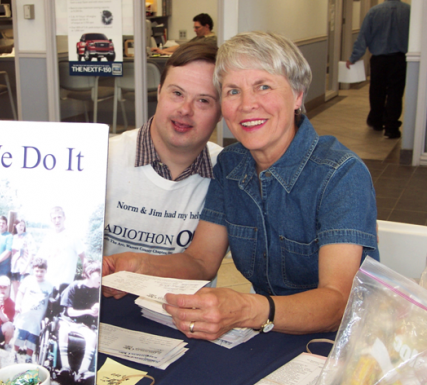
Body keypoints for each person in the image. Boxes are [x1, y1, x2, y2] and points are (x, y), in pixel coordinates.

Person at [104, 31, 379, 339]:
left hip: (342, 342)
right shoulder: (230, 165)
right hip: (269, 332)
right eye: (233, 91)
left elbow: (339, 303)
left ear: (298, 95)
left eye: (263, 87)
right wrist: (136, 264)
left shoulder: (340, 173)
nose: (247, 105)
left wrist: (248, 309)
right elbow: (200, 261)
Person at [104, 41, 222, 257]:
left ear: (221, 112)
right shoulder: (104, 158)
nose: (185, 110)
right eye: (177, 93)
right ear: (159, 92)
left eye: (203, 100)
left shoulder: (226, 173)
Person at [346, 0, 410, 140]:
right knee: (395, 93)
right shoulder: (409, 11)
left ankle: (377, 121)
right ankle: (391, 128)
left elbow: (363, 37)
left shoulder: (374, 12)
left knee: (377, 91)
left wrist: (353, 57)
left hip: (379, 60)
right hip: (400, 59)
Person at [58, 261, 101, 381]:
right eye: (100, 275)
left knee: (93, 336)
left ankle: (83, 371)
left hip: (83, 325)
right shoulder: (74, 287)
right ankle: (65, 367)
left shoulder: (98, 291)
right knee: (63, 330)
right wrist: (88, 311)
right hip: (67, 321)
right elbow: (70, 312)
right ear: (90, 274)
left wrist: (98, 308)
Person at [13, 258, 53, 364]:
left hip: (37, 319)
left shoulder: (49, 285)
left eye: (42, 271)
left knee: (32, 339)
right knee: (19, 336)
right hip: (25, 316)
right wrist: (18, 304)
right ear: (33, 270)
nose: (39, 273)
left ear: (46, 271)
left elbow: (51, 302)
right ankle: (15, 354)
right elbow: (20, 293)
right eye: (37, 271)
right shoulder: (28, 280)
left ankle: (28, 357)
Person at [36, 207, 85, 290]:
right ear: (51, 220)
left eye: (59, 217)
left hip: (65, 284)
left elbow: (83, 257)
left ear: (64, 218)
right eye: (54, 218)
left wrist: (85, 271)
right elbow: (40, 259)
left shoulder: (72, 236)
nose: (57, 220)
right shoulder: (48, 237)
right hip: (48, 282)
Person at [151, 13, 217, 55]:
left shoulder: (211, 41)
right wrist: (162, 50)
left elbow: (189, 54)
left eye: (197, 28)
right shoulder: (198, 38)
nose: (195, 30)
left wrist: (165, 53)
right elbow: (181, 47)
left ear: (207, 26)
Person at [9, 218, 36, 302]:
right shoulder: (13, 237)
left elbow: (32, 252)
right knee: (15, 293)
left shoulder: (28, 236)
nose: (21, 227)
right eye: (20, 225)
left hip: (24, 268)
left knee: (23, 293)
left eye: (23, 225)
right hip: (14, 268)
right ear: (15, 226)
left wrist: (26, 267)